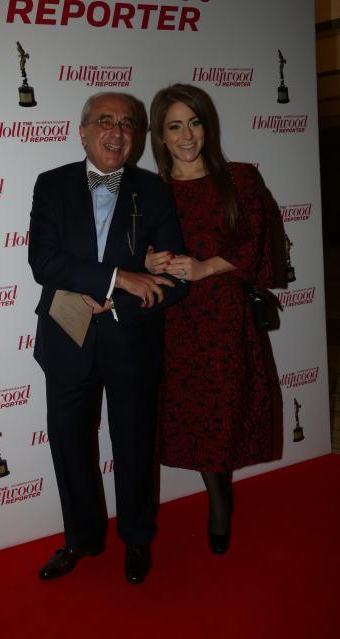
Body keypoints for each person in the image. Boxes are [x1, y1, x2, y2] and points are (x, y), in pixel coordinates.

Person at [28, 92, 187, 584]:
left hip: (132, 342)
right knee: (69, 444)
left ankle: (137, 538)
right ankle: (81, 538)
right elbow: (44, 262)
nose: (116, 132)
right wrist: (119, 278)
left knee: (135, 446)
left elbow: (176, 278)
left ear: (135, 136)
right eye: (104, 121)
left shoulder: (153, 191)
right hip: (66, 337)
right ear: (82, 131)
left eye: (126, 123)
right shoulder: (52, 185)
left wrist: (119, 298)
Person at [146, 83, 278, 554]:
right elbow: (132, 250)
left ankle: (219, 503)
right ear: (160, 136)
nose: (187, 136)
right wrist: (148, 262)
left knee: (222, 408)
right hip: (175, 321)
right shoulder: (151, 191)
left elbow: (254, 241)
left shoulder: (239, 178)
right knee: (195, 412)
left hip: (224, 315)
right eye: (174, 127)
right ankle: (218, 493)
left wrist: (205, 268)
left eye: (194, 122)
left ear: (208, 125)